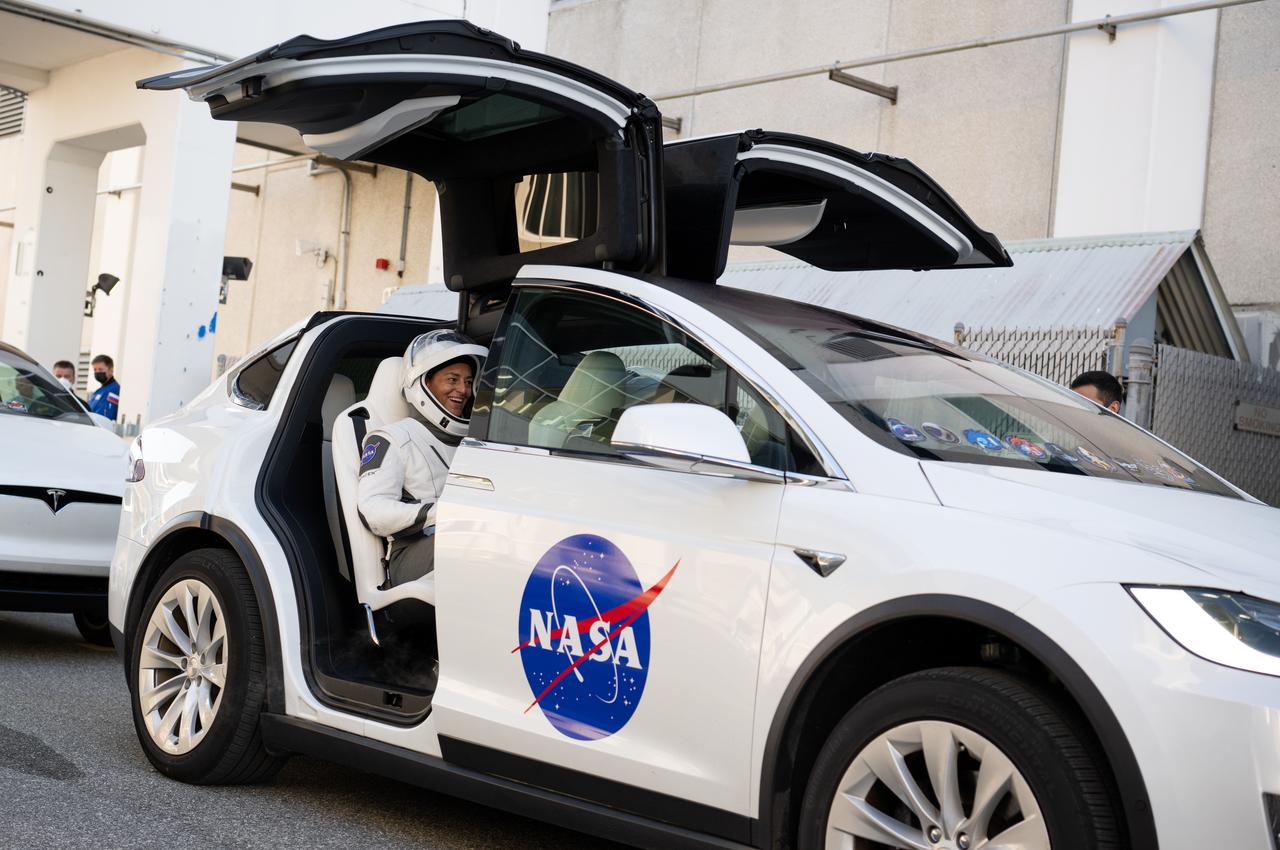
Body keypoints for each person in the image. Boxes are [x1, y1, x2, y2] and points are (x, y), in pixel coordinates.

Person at [356, 330, 488, 587]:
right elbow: (373, 510)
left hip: (459, 541)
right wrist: (442, 513)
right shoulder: (390, 438)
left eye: (469, 381)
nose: (464, 390)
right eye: (453, 379)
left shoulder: (476, 442)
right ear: (424, 383)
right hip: (411, 557)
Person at [88, 354, 120, 420]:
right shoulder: (98, 391)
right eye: (95, 370)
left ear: (111, 370)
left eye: (100, 369)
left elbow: (106, 417)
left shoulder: (114, 391)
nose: (97, 372)